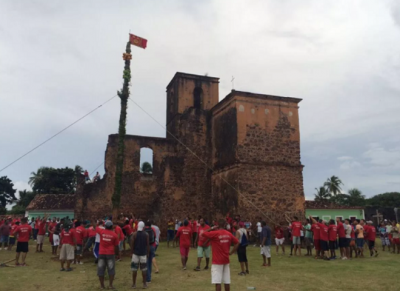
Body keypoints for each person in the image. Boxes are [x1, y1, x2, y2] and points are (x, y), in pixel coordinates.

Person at [202, 219, 239, 291]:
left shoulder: (215, 233)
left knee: (217, 282)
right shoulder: (228, 234)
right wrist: (231, 252)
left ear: (217, 225)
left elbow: (203, 233)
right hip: (226, 259)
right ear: (225, 225)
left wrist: (212, 228)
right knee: (227, 281)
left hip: (217, 261)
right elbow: (237, 242)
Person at [97, 220, 119, 290]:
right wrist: (117, 254)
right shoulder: (114, 235)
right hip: (110, 254)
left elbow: (95, 226)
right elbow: (116, 246)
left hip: (101, 254)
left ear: (105, 226)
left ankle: (102, 286)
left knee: (101, 269)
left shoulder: (101, 232)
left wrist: (93, 220)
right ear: (112, 227)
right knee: (111, 269)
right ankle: (110, 285)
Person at [130, 221, 149, 289]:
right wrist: (148, 253)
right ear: (143, 227)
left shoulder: (134, 234)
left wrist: (131, 252)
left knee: (134, 269)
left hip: (135, 253)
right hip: (143, 254)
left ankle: (134, 284)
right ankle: (144, 284)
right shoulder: (146, 234)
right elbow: (147, 245)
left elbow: (132, 244)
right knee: (144, 269)